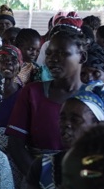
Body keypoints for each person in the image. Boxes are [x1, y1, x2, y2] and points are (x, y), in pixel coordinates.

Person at [6, 27, 87, 178]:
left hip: (83, 181)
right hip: (38, 178)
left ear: (82, 57)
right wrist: (42, 180)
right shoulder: (32, 93)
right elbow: (15, 144)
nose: (53, 59)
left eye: (62, 53)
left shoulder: (95, 96)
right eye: (49, 53)